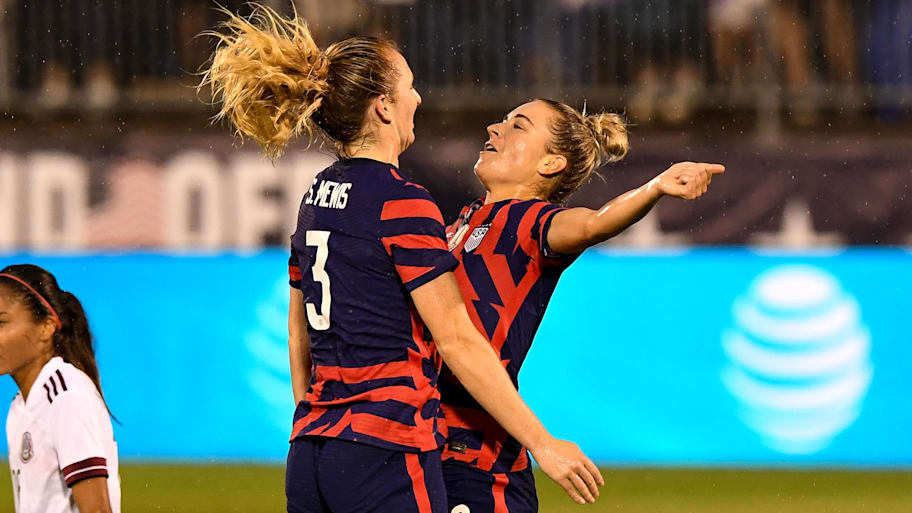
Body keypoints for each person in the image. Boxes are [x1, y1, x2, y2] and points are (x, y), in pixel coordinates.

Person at [200, 5, 602, 512]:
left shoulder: (315, 195)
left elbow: (299, 332)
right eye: (409, 85)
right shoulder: (403, 201)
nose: (419, 96)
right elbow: (456, 339)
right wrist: (543, 444)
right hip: (385, 446)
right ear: (384, 107)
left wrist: (310, 419)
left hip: (310, 453)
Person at [439, 99, 724, 513]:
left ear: (551, 163)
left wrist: (656, 186)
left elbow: (594, 223)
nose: (493, 129)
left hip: (480, 458)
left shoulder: (533, 223)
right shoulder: (462, 223)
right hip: (427, 439)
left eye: (517, 126)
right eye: (502, 121)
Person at [0, 264, 120, 513]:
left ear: (46, 327)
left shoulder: (66, 397)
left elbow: (97, 509)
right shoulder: (21, 406)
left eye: (1, 322)